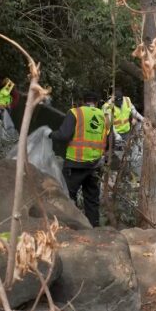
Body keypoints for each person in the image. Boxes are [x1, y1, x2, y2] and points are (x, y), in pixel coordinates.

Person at [50, 91, 108, 227]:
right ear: (97, 102)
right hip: (95, 165)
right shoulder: (103, 116)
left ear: (82, 101)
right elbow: (108, 141)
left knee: (68, 197)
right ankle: (93, 227)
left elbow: (64, 135)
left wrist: (50, 134)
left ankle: (70, 227)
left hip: (75, 164)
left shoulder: (75, 113)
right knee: (92, 200)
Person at [103, 88, 143, 152]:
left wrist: (143, 119)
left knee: (127, 151)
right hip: (114, 133)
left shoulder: (127, 100)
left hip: (126, 132)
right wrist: (116, 135)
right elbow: (109, 124)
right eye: (117, 102)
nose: (120, 104)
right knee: (116, 152)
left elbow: (134, 111)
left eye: (121, 101)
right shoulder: (107, 106)